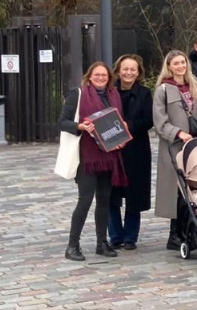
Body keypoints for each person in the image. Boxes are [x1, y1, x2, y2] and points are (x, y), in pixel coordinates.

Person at [59, 61, 128, 261]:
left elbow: (116, 121)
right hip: (87, 157)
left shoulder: (113, 95)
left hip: (108, 156)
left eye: (104, 76)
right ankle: (72, 245)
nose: (100, 78)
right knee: (85, 200)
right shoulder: (78, 94)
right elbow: (62, 122)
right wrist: (81, 126)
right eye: (97, 75)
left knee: (104, 201)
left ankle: (101, 243)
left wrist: (122, 127)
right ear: (90, 76)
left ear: (109, 78)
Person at [153, 50, 197, 251]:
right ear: (169, 66)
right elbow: (159, 122)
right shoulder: (163, 90)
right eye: (176, 63)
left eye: (183, 62)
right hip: (174, 147)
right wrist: (178, 133)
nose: (181, 66)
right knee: (177, 192)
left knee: (194, 189)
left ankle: (194, 230)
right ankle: (175, 234)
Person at [108, 54, 152, 250]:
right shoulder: (109, 92)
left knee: (134, 194)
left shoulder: (144, 93)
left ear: (138, 72)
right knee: (111, 194)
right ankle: (115, 235)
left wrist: (128, 126)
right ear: (118, 71)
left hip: (136, 149)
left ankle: (130, 237)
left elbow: (149, 120)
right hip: (112, 150)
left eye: (133, 69)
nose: (129, 72)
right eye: (125, 69)